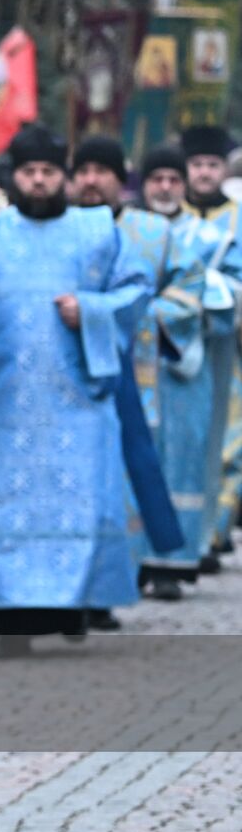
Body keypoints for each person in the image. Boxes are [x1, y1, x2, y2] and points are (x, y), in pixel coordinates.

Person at [0, 125, 150, 651]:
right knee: (2, 501)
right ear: (16, 178)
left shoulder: (97, 231)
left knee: (81, 497)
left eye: (50, 172)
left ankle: (74, 609)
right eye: (30, 173)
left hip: (77, 398)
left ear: (64, 177)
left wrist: (92, 310)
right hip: (5, 399)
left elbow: (135, 289)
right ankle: (10, 618)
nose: (40, 181)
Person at [73, 138, 206, 602]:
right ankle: (95, 588)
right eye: (83, 170)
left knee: (143, 470)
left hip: (142, 370)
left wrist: (149, 315)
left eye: (101, 170)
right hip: (75, 377)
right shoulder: (60, 231)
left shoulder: (152, 231)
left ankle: (153, 566)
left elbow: (192, 281)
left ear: (119, 178)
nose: (91, 179)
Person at [181, 124, 242, 571]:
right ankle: (183, 539)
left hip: (224, 345)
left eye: (211, 166)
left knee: (225, 441)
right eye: (197, 165)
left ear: (223, 170)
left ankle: (212, 534)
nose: (204, 173)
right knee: (182, 440)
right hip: (172, 347)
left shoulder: (238, 220)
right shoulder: (168, 217)